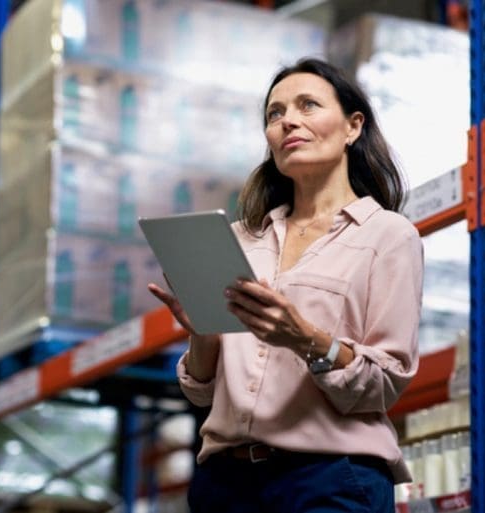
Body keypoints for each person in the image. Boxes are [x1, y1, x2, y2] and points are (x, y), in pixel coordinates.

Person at [148, 57, 423, 513]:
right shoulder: (240, 240)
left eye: (307, 105)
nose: (287, 121)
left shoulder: (389, 236)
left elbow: (385, 383)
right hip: (225, 485)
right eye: (275, 114)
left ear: (353, 126)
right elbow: (200, 391)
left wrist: (304, 338)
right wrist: (204, 334)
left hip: (330, 479)